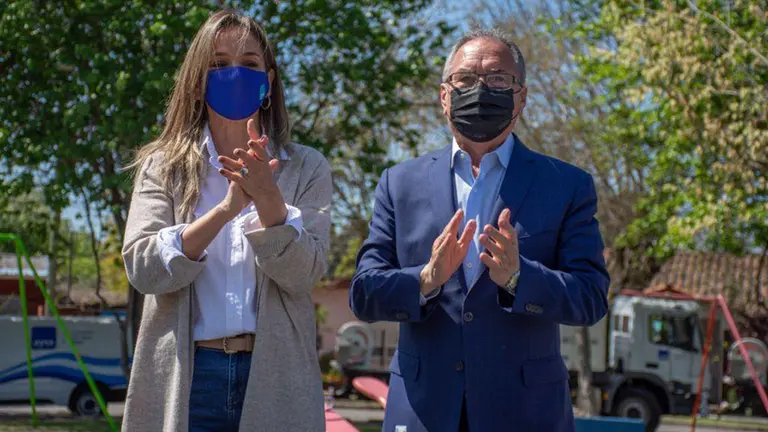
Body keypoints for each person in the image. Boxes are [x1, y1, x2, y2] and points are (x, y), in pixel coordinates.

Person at [350, 28, 610, 432]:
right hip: (423, 411)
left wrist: (519, 279)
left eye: (498, 79)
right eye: (465, 79)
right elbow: (364, 293)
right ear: (444, 96)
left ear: (521, 97)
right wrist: (425, 280)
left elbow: (591, 298)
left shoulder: (567, 186)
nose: (481, 90)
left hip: (525, 414)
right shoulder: (398, 184)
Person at [121, 10, 331, 432]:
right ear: (198, 81)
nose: (234, 74)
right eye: (218, 64)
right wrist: (225, 211)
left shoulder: (307, 167)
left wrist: (268, 198)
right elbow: (143, 268)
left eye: (249, 63)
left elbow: (305, 274)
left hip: (276, 378)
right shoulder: (161, 167)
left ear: (268, 82)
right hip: (188, 379)